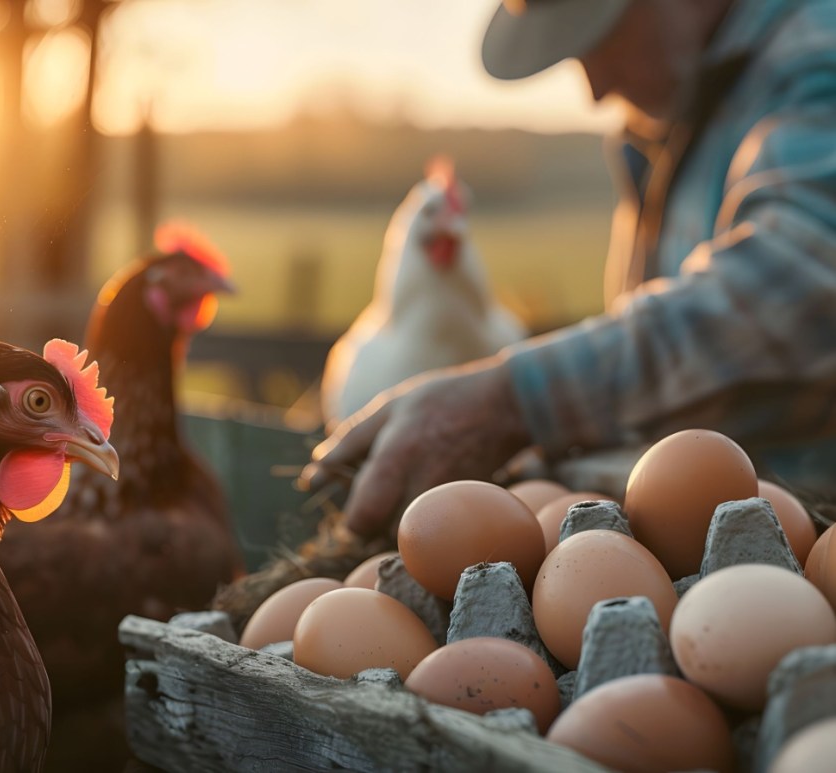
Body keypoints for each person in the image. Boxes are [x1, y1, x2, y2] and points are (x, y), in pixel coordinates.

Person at [300, 0, 836, 539]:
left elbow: (799, 279)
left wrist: (515, 402)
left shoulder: (817, 52)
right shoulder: (681, 112)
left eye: (600, 37)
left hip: (807, 529)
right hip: (733, 540)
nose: (595, 89)